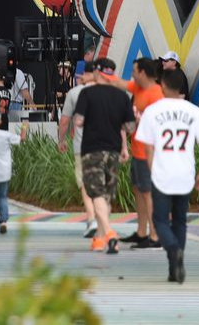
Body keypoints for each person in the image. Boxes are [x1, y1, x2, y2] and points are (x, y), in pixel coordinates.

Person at [134, 67, 199, 283]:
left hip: (162, 174)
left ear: (163, 86)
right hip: (186, 174)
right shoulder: (193, 111)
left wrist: (152, 169)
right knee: (180, 221)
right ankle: (175, 266)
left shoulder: (152, 111)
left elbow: (148, 147)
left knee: (160, 220)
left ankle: (172, 249)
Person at [74, 58, 134, 254]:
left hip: (92, 150)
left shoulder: (87, 93)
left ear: (97, 72)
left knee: (97, 193)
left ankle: (109, 233)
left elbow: (79, 121)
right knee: (106, 196)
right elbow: (129, 127)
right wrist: (124, 146)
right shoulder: (122, 96)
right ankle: (99, 240)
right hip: (114, 151)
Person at [121, 58, 165, 250]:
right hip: (137, 150)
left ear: (143, 73)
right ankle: (141, 232)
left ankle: (155, 235)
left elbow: (158, 124)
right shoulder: (139, 89)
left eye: (134, 71)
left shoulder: (156, 94)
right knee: (139, 190)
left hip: (149, 153)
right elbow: (119, 83)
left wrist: (139, 120)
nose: (132, 74)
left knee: (148, 193)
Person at [58, 59, 101, 238]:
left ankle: (92, 218)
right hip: (106, 146)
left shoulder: (74, 93)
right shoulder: (109, 92)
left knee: (85, 184)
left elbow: (64, 121)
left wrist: (61, 140)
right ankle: (103, 219)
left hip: (82, 146)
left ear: (84, 74)